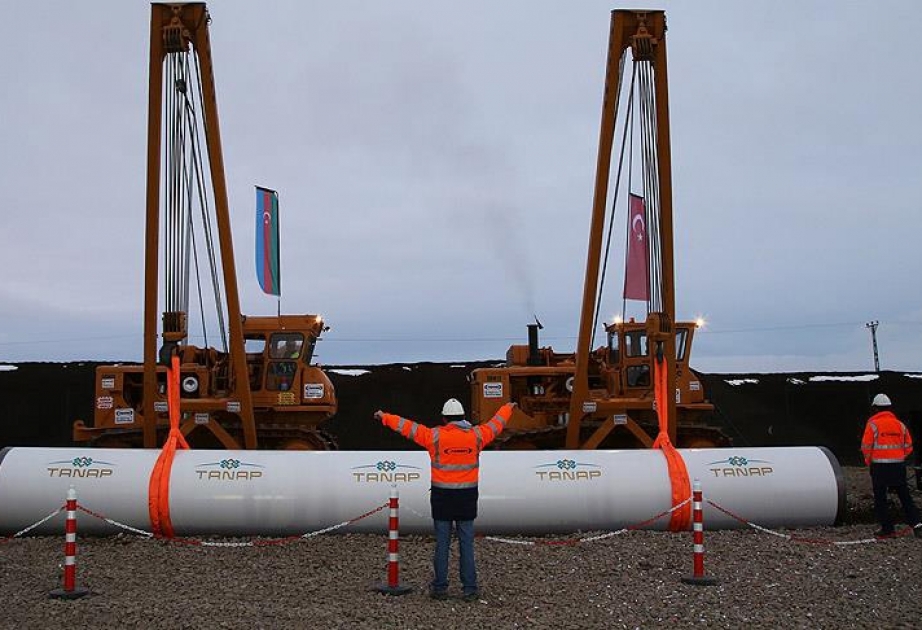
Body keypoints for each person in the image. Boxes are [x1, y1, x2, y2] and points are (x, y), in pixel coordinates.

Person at [374, 398, 515, 601]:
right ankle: (470, 589)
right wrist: (508, 407)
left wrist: (384, 417)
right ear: (463, 417)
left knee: (442, 543)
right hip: (467, 498)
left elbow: (407, 427)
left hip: (442, 498)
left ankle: (440, 588)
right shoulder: (477, 436)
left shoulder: (435, 436)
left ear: (444, 418)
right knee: (466, 544)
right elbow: (497, 423)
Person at [860, 393, 922, 538]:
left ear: (875, 408)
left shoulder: (873, 425)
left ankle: (887, 529)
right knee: (904, 495)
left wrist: (870, 461)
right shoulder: (900, 425)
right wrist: (899, 456)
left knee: (880, 498)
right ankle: (917, 524)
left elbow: (866, 446)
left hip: (879, 467)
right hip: (898, 466)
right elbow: (908, 446)